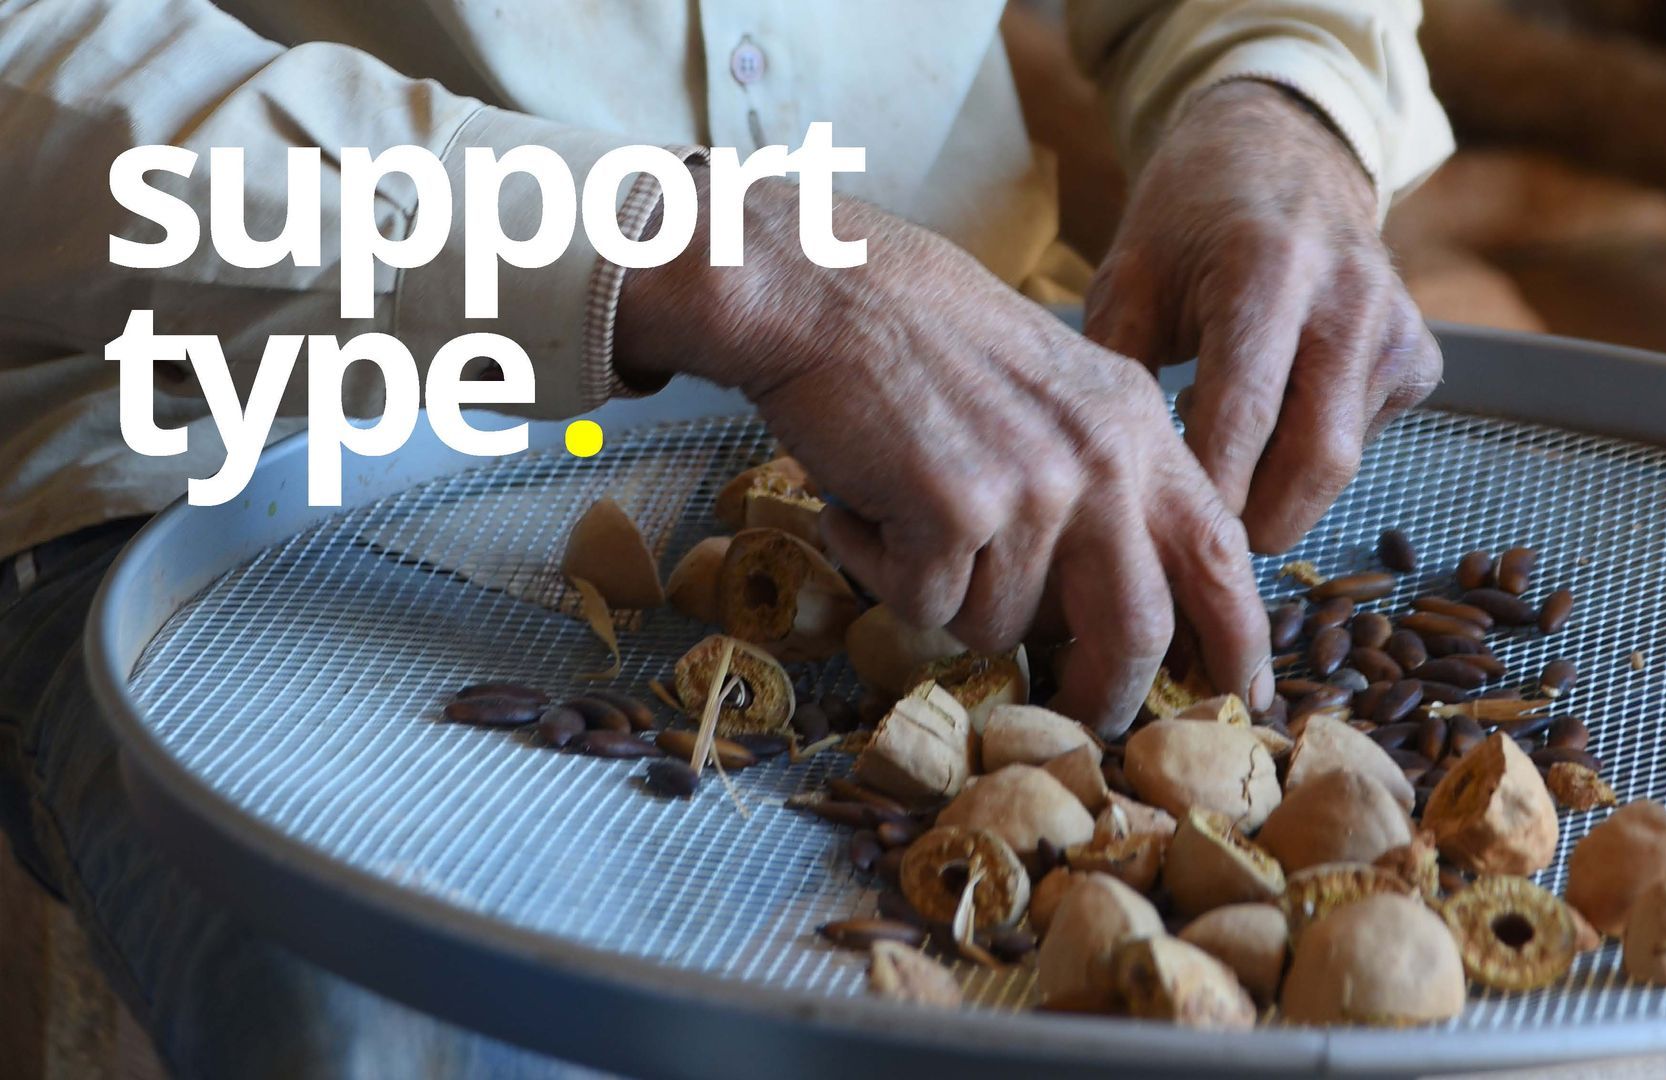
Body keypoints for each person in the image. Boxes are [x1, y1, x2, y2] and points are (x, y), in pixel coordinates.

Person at [0, 1, 1451, 1074]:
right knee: (414, 1035)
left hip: (1017, 403)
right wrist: (718, 259)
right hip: (269, 442)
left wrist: (1276, 105)